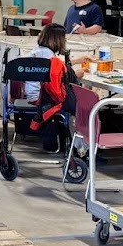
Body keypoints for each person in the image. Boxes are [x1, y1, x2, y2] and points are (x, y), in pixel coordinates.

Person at [25, 23, 77, 153]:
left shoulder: (36, 52)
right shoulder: (50, 59)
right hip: (43, 98)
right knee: (76, 105)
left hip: (31, 94)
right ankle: (78, 147)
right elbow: (55, 88)